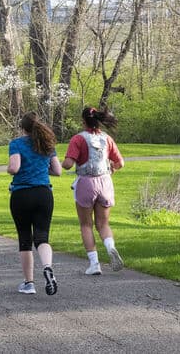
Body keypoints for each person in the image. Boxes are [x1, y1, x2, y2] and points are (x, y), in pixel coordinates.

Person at [62, 106, 125, 275]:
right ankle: (111, 247)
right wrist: (111, 168)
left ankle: (94, 264)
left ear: (83, 121)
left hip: (86, 183)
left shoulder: (78, 139)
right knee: (103, 224)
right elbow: (120, 163)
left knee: (86, 225)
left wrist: (62, 163)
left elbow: (68, 163)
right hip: (105, 182)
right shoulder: (107, 139)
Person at [8, 112, 62, 295]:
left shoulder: (16, 144)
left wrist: (10, 169)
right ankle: (47, 267)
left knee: (25, 238)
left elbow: (14, 167)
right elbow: (58, 170)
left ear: (23, 127)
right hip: (43, 193)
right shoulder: (47, 144)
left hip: (21, 194)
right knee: (42, 237)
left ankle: (29, 283)